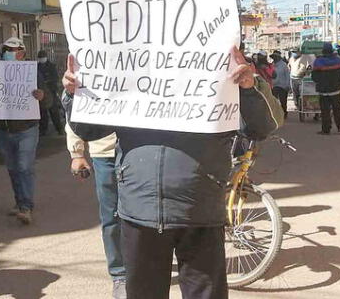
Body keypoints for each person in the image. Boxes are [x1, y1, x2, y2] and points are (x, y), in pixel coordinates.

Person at [62, 46, 284, 299]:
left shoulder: (220, 62)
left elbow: (264, 126)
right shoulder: (128, 68)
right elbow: (88, 130)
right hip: (140, 208)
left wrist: (248, 88)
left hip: (200, 208)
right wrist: (74, 95)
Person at [66, 125, 126, 298]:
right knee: (112, 215)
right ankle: (119, 274)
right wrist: (77, 153)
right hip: (104, 152)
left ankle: (145, 265)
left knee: (145, 212)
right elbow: (75, 108)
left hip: (141, 149)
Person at [0, 38, 45, 225]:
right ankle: (19, 202)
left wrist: (41, 95)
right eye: (6, 49)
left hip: (27, 129)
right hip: (4, 129)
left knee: (24, 167)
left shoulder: (32, 73)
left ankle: (26, 206)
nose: (8, 52)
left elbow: (47, 100)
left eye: (13, 50)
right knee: (13, 168)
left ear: (22, 53)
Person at [312, 43, 340, 135]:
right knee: (337, 110)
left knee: (325, 111)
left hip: (323, 91)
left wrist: (321, 82)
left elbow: (314, 77)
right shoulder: (338, 61)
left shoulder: (318, 61)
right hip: (335, 90)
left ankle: (326, 129)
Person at [37, 50, 64, 136]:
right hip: (41, 92)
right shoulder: (37, 67)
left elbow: (55, 78)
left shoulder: (52, 66)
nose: (42, 59)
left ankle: (59, 129)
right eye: (40, 57)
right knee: (42, 113)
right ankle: (43, 130)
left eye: (43, 57)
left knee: (54, 112)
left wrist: (48, 82)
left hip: (51, 91)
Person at [271, 53, 290, 118]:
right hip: (274, 85)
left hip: (283, 86)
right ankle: (276, 113)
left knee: (283, 101)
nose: (274, 58)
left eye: (275, 57)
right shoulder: (272, 65)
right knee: (274, 101)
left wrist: (287, 85)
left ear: (278, 57)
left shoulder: (284, 65)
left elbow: (287, 76)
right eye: (273, 57)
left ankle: (284, 112)